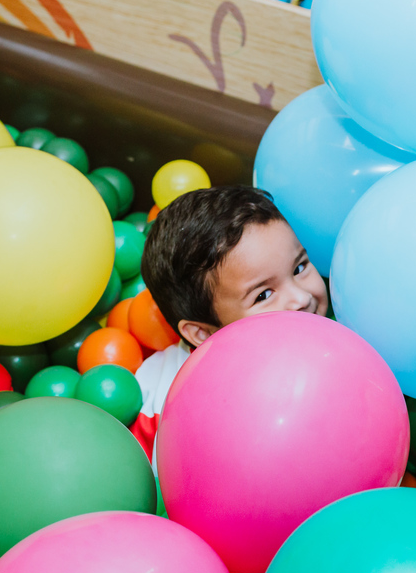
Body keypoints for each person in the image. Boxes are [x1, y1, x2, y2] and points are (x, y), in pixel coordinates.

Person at [130, 186, 330, 459]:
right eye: (264, 295)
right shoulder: (167, 412)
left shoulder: (338, 333)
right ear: (202, 333)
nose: (302, 298)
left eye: (299, 267)